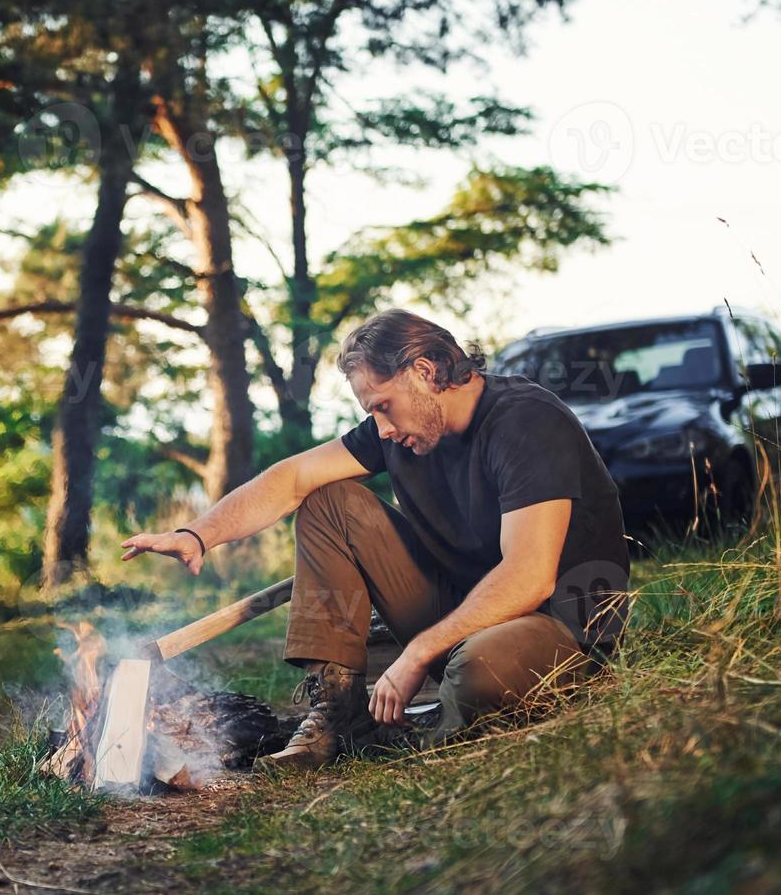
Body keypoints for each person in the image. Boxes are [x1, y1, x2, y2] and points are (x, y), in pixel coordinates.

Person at [122, 309, 631, 769]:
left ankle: (420, 740)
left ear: (426, 372)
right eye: (372, 412)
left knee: (480, 669)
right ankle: (339, 718)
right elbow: (293, 479)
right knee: (329, 502)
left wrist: (416, 653)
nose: (381, 428)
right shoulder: (400, 432)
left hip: (556, 627)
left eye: (383, 405)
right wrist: (197, 533)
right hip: (463, 613)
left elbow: (529, 576)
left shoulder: (525, 421)